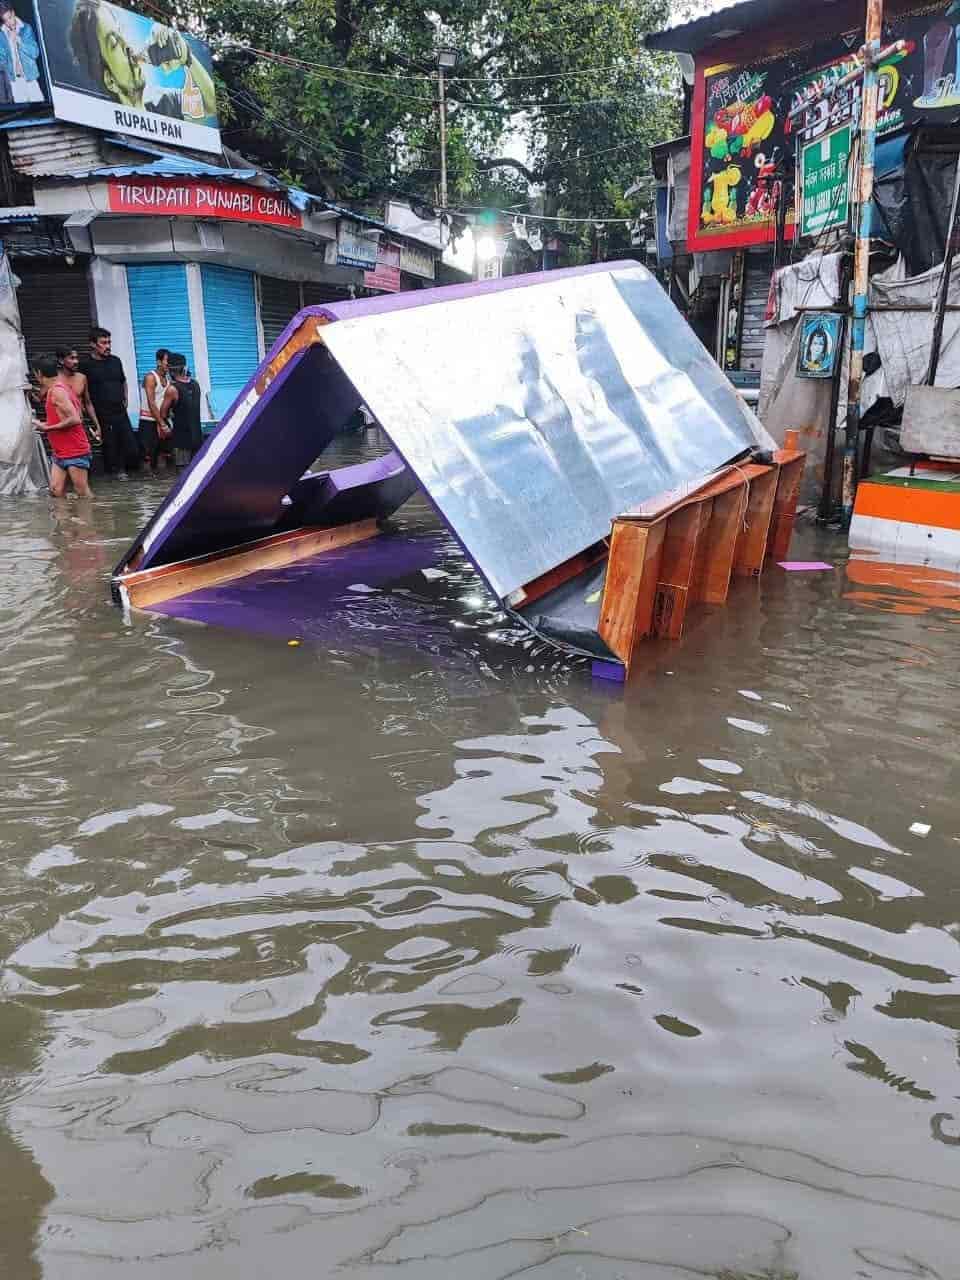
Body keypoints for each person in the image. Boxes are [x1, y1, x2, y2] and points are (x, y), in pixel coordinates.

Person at [68, 0, 216, 122]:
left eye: (120, 33)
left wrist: (188, 57)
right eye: (114, 43)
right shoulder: (103, 124)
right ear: (110, 80)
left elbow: (209, 106)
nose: (128, 47)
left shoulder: (164, 103)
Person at [80, 327, 140, 476]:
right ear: (93, 344)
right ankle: (113, 481)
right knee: (111, 451)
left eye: (109, 342)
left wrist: (126, 398)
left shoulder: (115, 361)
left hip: (120, 411)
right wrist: (92, 419)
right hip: (102, 414)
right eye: (103, 343)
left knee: (132, 449)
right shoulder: (85, 365)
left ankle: (129, 480)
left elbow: (123, 381)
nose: (108, 346)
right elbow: (83, 393)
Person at [32, 353, 93, 497]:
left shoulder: (58, 391)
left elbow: (75, 418)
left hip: (74, 450)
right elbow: (63, 418)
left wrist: (47, 428)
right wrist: (45, 424)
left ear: (39, 373)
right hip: (60, 451)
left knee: (82, 493)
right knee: (56, 490)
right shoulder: (57, 389)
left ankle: (93, 518)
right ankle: (64, 519)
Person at [159, 352, 203, 468]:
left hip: (181, 441)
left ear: (171, 370)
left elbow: (163, 413)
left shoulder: (172, 389)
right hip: (197, 437)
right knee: (197, 472)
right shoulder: (196, 384)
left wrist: (166, 424)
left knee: (182, 476)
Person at [56, 347, 101, 449]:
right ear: (61, 360)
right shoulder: (54, 379)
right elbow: (41, 399)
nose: (76, 361)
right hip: (62, 429)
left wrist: (97, 425)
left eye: (76, 358)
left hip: (80, 426)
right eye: (71, 358)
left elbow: (88, 403)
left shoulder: (82, 378)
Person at [0, 2, 44, 104]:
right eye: (5, 20)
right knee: (22, 112)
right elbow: (2, 59)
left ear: (13, 13)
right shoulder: (1, 35)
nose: (9, 22)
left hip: (30, 78)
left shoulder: (26, 29)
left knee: (40, 110)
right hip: (14, 82)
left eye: (10, 17)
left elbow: (35, 53)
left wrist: (19, 41)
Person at [139, 347, 171, 470]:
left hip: (161, 420)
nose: (169, 364)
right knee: (148, 456)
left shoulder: (168, 380)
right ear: (159, 362)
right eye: (167, 361)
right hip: (148, 421)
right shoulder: (150, 377)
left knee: (162, 454)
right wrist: (162, 424)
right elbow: (151, 403)